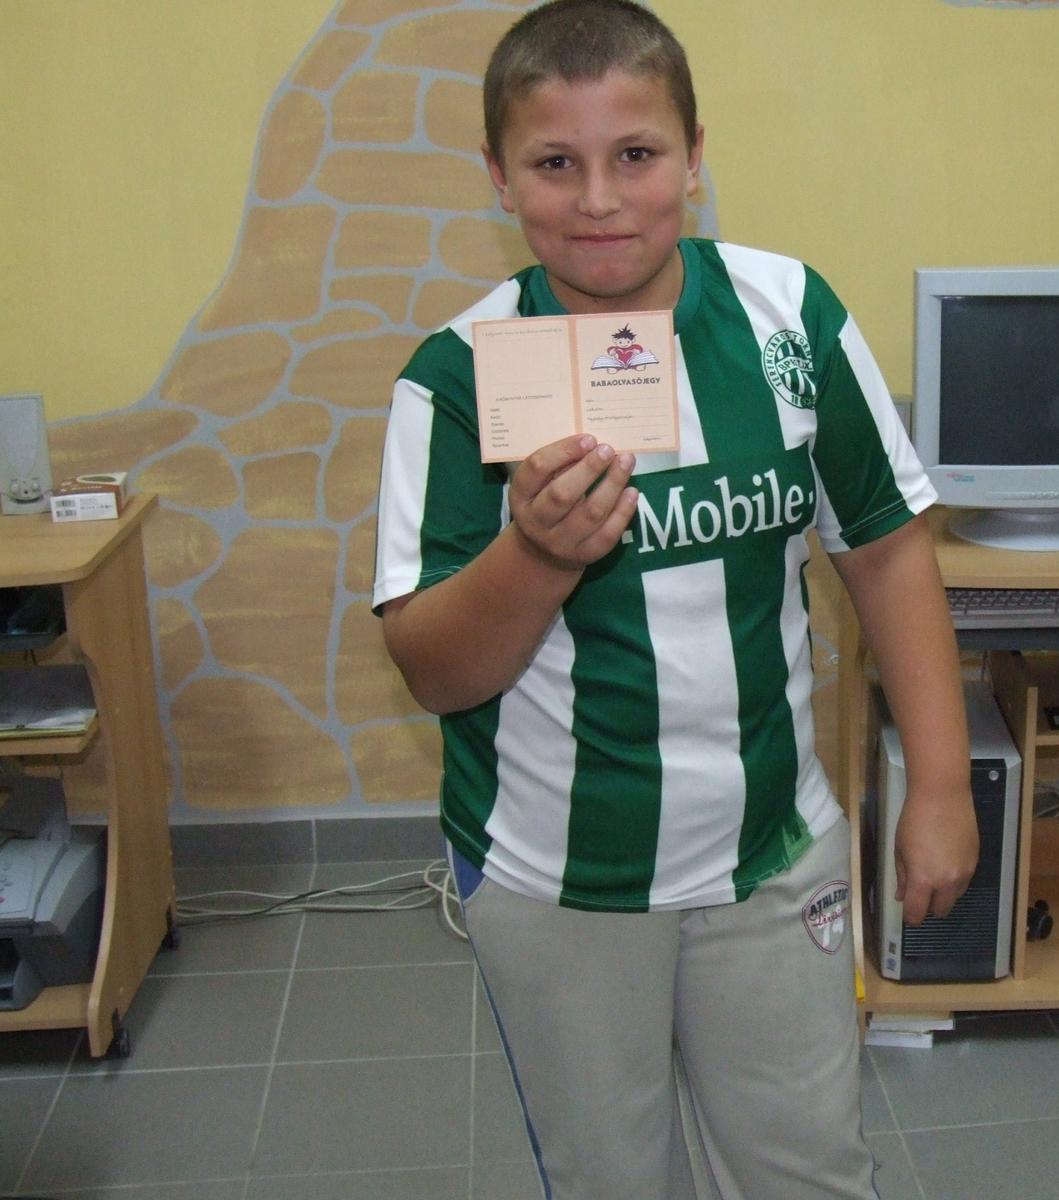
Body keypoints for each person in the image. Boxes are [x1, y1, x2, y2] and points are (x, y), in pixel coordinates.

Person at [372, 2, 976, 1196]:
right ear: (498, 176)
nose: (599, 200)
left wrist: (944, 786)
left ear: (694, 156)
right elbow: (434, 672)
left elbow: (886, 553)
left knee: (809, 1168)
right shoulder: (456, 379)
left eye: (636, 154)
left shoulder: (790, 316)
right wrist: (538, 554)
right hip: (559, 880)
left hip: (774, 851)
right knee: (611, 1177)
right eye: (555, 163)